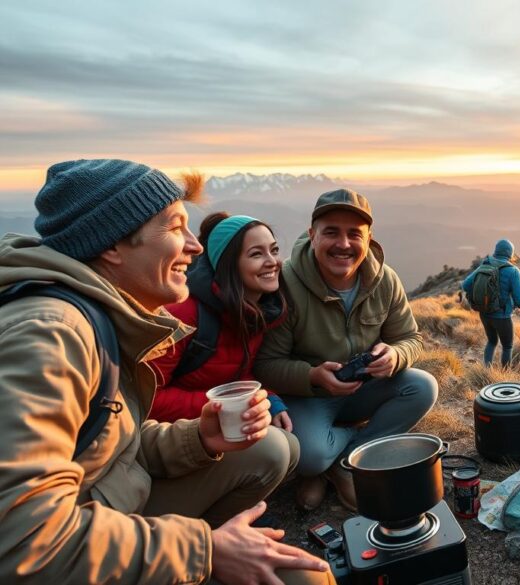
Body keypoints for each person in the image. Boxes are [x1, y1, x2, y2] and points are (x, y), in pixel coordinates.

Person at [0, 160, 331, 584]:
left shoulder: (103, 318)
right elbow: (22, 541)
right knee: (307, 578)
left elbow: (115, 445)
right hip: (71, 542)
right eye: (175, 227)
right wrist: (202, 550)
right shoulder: (50, 335)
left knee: (268, 450)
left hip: (107, 503)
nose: (195, 246)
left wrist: (197, 439)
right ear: (112, 245)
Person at [254, 188, 438, 512]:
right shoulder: (285, 285)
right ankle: (324, 465)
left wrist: (396, 356)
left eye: (354, 234)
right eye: (331, 232)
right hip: (311, 398)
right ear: (312, 236)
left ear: (369, 238)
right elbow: (267, 364)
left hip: (364, 390)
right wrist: (313, 376)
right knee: (309, 456)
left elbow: (411, 338)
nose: (343, 244)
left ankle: (343, 464)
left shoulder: (385, 281)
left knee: (422, 387)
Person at [150, 212, 293, 430]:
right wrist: (227, 406)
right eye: (256, 254)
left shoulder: (255, 312)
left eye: (274, 250)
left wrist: (269, 400)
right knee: (279, 449)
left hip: (215, 420)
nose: (272, 262)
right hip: (170, 433)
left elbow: (235, 372)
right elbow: (147, 397)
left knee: (289, 444)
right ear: (228, 265)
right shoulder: (183, 314)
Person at [461, 239, 520, 368]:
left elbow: (465, 285)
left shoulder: (484, 265)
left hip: (484, 313)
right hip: (502, 317)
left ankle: (486, 372)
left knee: (491, 342)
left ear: (496, 251)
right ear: (510, 254)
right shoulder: (513, 271)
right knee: (507, 346)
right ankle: (504, 375)